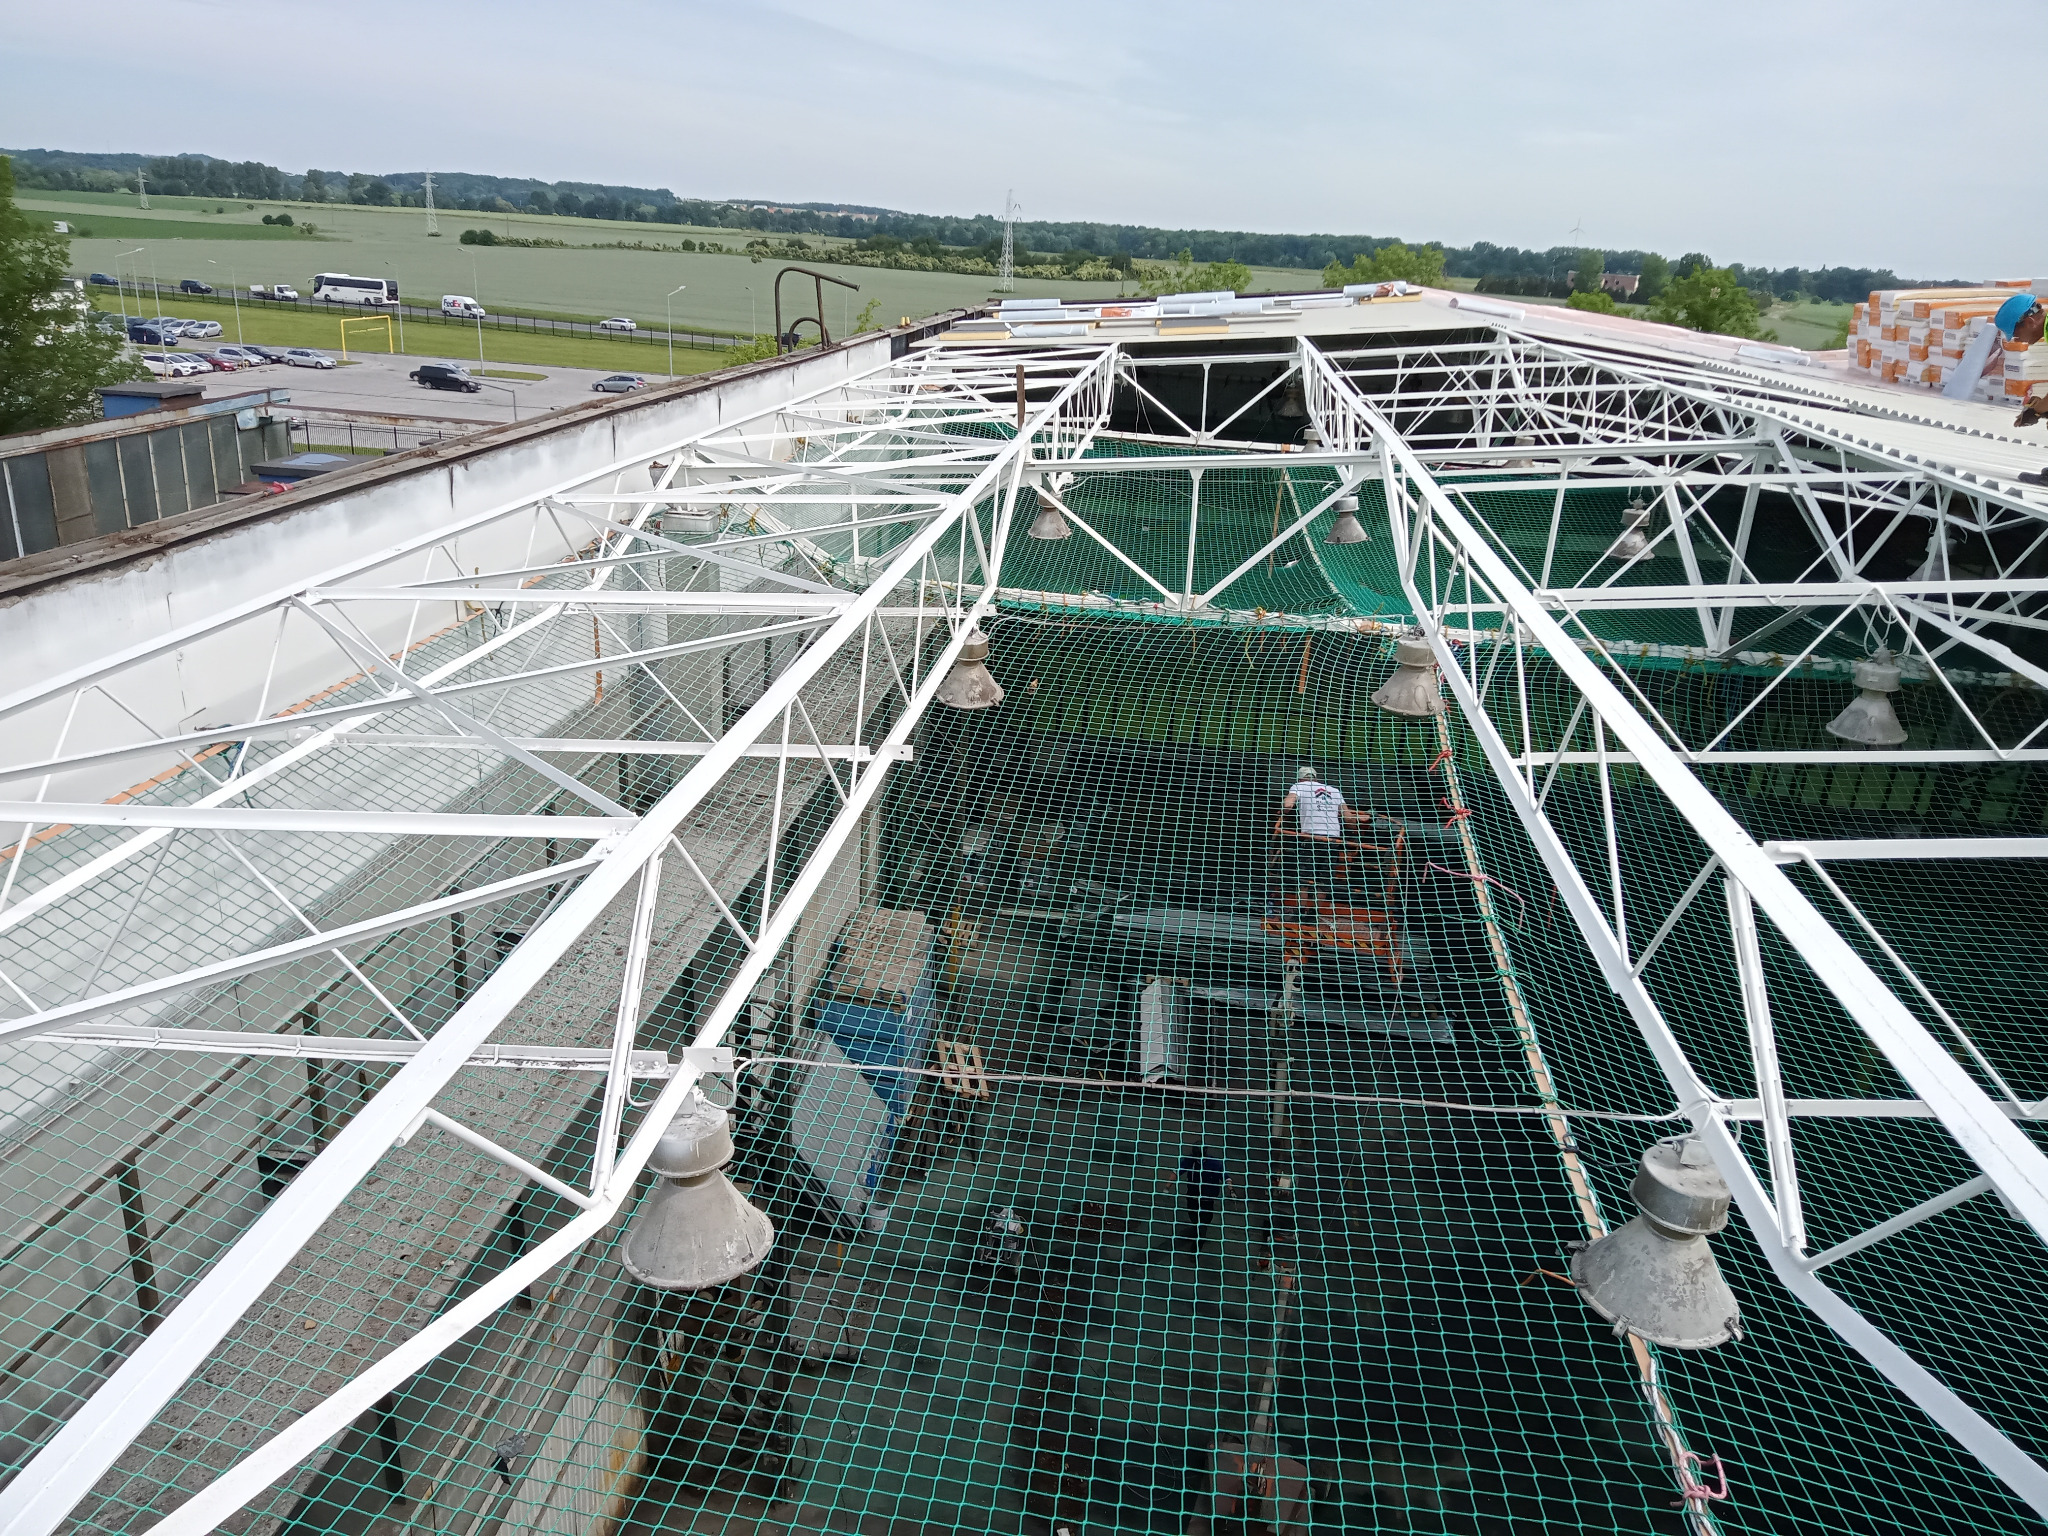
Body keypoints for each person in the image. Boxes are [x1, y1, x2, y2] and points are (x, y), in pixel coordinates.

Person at [1274, 766, 1367, 897]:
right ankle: (1314, 913)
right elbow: (1348, 819)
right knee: (1324, 880)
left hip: (1312, 838)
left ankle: (1300, 913)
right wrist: (1359, 825)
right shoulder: (1334, 791)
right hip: (1332, 839)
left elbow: (1288, 805)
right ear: (1316, 778)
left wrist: (1282, 811)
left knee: (1304, 879)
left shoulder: (1299, 786)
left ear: (1300, 778)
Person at [1176, 1146, 1230, 1252]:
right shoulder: (1190, 1161)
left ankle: (1196, 1249)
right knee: (1193, 1216)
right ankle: (1195, 1228)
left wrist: (1231, 1189)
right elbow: (1178, 1171)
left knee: (1203, 1225)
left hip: (1207, 1200)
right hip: (1193, 1197)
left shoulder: (1213, 1164)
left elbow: (1225, 1177)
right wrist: (1168, 1186)